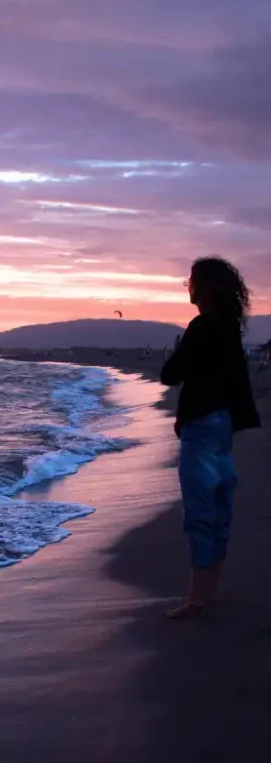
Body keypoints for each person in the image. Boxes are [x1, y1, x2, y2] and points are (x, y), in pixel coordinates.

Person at [160, 257, 261, 619]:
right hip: (221, 426)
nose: (187, 286)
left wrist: (181, 354)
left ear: (203, 286)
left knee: (201, 511)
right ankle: (207, 589)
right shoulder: (229, 327)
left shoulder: (202, 326)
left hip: (201, 426)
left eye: (190, 280)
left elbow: (170, 374)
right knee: (218, 509)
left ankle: (198, 599)